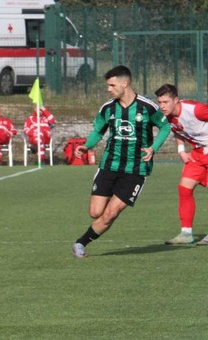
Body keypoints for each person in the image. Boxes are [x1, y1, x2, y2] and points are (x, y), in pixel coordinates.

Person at [71, 65, 171, 258]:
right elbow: (98, 131)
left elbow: (165, 127)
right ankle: (97, 224)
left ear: (124, 84)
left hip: (136, 169)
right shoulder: (108, 108)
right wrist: (87, 145)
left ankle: (80, 243)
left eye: (111, 85)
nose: (108, 89)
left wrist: (153, 148)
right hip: (109, 165)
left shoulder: (147, 107)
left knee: (110, 213)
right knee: (96, 212)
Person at [155, 84, 208, 245]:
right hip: (197, 155)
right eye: (160, 102)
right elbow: (178, 131)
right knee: (184, 189)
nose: (162, 106)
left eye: (165, 102)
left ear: (176, 100)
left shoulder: (196, 110)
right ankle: (186, 234)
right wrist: (181, 150)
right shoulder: (169, 116)